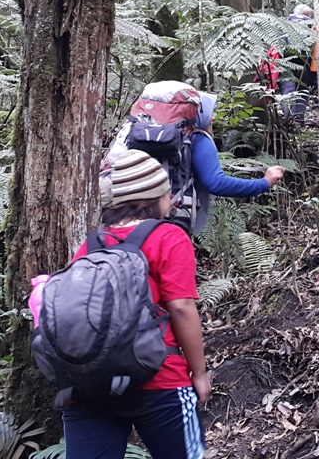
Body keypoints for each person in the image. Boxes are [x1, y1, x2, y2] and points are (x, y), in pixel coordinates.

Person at [63, 150, 209, 459]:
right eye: (167, 192)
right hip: (161, 380)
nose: (173, 199)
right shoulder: (169, 236)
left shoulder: (90, 244)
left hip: (90, 386)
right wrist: (199, 373)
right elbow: (181, 307)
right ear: (149, 198)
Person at [190, 93, 285, 231]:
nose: (213, 117)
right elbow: (217, 183)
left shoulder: (177, 137)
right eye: (209, 113)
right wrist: (263, 183)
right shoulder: (199, 140)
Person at [256, 3, 318, 126]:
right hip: (305, 65)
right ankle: (299, 120)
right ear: (308, 15)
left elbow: (275, 43)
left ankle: (289, 119)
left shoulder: (284, 24)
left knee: (288, 91)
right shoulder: (313, 26)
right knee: (302, 91)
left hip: (284, 63)